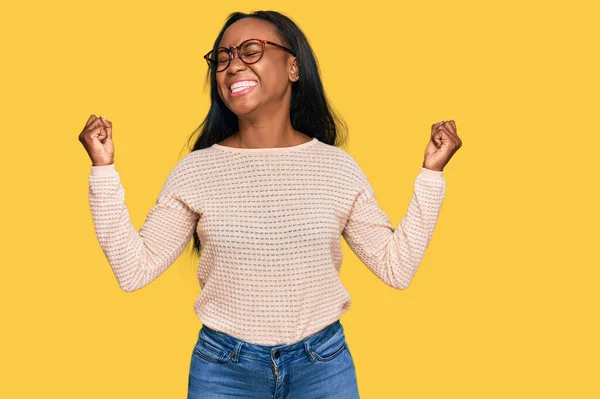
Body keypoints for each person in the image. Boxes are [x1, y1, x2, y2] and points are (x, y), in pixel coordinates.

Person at [78, 10, 462, 399]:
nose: (232, 66)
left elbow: (396, 268)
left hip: (322, 366)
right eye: (222, 58)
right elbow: (133, 271)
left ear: (293, 66)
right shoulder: (196, 171)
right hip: (223, 371)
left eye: (250, 50)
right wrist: (103, 169)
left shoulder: (337, 168)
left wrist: (431, 174)